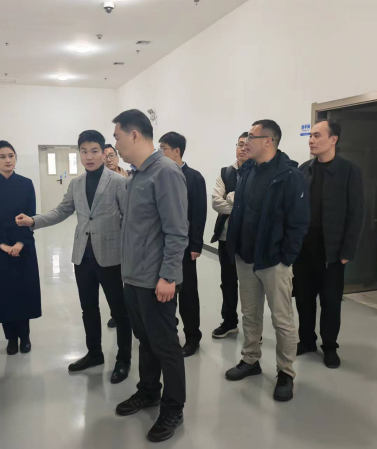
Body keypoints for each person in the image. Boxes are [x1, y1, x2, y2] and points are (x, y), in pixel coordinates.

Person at [15, 130, 132, 384]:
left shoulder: (118, 182)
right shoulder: (76, 184)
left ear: (104, 153)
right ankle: (94, 353)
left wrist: (128, 252)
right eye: (84, 151)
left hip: (111, 257)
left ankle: (124, 359)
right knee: (88, 308)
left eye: (94, 151)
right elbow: (62, 211)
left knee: (119, 310)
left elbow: (128, 219)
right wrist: (34, 220)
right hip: (82, 257)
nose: (89, 156)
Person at [112, 110, 188, 443]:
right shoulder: (136, 176)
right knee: (146, 340)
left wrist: (168, 276)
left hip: (157, 280)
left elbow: (177, 231)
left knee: (166, 346)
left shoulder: (165, 172)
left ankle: (173, 408)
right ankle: (148, 391)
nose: (115, 144)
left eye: (117, 137)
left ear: (134, 135)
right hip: (134, 278)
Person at [225, 120, 309, 402]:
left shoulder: (290, 176)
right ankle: (250, 359)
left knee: (282, 320)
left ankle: (285, 372)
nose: (246, 141)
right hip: (246, 257)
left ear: (268, 141)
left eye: (252, 136)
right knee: (249, 314)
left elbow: (299, 222)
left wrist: (286, 259)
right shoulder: (247, 171)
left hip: (274, 261)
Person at [295, 120, 364, 369]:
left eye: (317, 135)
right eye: (310, 136)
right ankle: (306, 340)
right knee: (303, 299)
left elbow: (356, 213)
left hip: (332, 253)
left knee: (331, 302)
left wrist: (347, 251)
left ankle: (329, 346)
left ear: (333, 139)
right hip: (304, 251)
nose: (311, 140)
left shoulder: (349, 171)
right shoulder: (304, 169)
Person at [0, 140, 41, 356]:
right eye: (2, 156)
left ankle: (25, 336)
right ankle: (11, 339)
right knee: (3, 294)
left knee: (23, 293)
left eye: (11, 156)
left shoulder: (26, 184)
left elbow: (30, 216)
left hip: (24, 246)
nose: (8, 160)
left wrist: (20, 242)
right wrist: (3, 245)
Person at [159, 131, 207, 357]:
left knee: (187, 294)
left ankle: (192, 337)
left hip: (185, 246)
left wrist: (196, 244)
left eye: (163, 149)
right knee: (165, 293)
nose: (160, 153)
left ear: (176, 151)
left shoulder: (194, 177)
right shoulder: (160, 175)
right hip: (162, 246)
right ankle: (168, 334)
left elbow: (199, 213)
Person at [210, 132, 249, 338]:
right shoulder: (225, 173)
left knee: (250, 285)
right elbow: (216, 203)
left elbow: (256, 205)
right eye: (240, 144)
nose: (243, 148)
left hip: (249, 239)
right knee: (228, 282)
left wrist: (232, 197)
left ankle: (253, 328)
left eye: (247, 145)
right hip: (226, 238)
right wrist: (241, 206)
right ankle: (229, 322)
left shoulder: (258, 172)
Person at [103, 144, 127, 329]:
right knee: (113, 280)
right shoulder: (100, 181)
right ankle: (117, 313)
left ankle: (132, 312)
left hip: (129, 237)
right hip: (109, 238)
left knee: (131, 278)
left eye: (111, 155)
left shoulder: (130, 177)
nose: (108, 159)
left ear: (117, 157)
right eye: (105, 156)